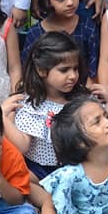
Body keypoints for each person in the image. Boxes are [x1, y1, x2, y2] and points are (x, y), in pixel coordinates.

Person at [7, 32, 88, 180]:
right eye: (64, 70)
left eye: (75, 68)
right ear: (41, 70)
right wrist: (1, 116)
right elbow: (23, 146)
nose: (73, 76)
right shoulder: (30, 104)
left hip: (75, 169)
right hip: (38, 171)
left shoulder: (80, 99)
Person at [21, 0, 99, 81]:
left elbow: (93, 68)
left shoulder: (87, 26)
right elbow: (28, 71)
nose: (70, 2)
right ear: (46, 1)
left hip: (82, 88)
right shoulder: (35, 33)